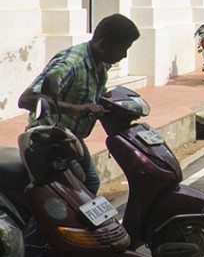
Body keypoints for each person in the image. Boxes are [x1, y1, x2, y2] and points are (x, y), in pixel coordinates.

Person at [19, 13, 141, 194]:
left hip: (71, 138)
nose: (124, 55)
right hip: (49, 140)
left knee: (90, 182)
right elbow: (26, 100)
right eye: (122, 49)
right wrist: (76, 109)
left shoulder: (102, 63)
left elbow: (88, 94)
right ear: (104, 44)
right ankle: (37, 222)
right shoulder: (70, 64)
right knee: (65, 192)